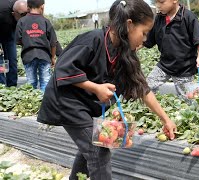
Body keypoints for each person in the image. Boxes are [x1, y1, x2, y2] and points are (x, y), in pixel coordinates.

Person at [37, 0, 177, 179]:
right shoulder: (92, 40)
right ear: (129, 25)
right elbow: (62, 70)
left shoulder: (124, 52)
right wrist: (95, 88)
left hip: (84, 105)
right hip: (66, 101)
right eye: (144, 33)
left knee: (90, 146)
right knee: (99, 149)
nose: (145, 39)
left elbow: (142, 88)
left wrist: (166, 119)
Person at [142, 0, 199, 96]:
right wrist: (131, 48)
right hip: (164, 65)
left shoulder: (189, 17)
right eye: (156, 2)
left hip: (184, 68)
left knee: (186, 98)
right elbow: (148, 41)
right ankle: (149, 108)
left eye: (161, 2)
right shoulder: (159, 19)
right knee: (147, 86)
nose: (158, 6)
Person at [16, 0, 57, 92]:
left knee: (31, 82)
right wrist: (53, 57)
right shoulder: (46, 21)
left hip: (28, 56)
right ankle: (44, 103)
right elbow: (53, 42)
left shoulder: (21, 21)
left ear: (28, 7)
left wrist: (27, 42)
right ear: (42, 6)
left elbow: (18, 40)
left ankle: (32, 102)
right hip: (44, 55)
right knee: (45, 81)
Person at [0, 0, 28, 87]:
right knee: (0, 61)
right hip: (2, 25)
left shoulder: (22, 9)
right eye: (22, 15)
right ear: (13, 13)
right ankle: (1, 84)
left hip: (9, 31)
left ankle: (11, 85)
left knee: (12, 59)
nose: (24, 17)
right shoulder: (2, 10)